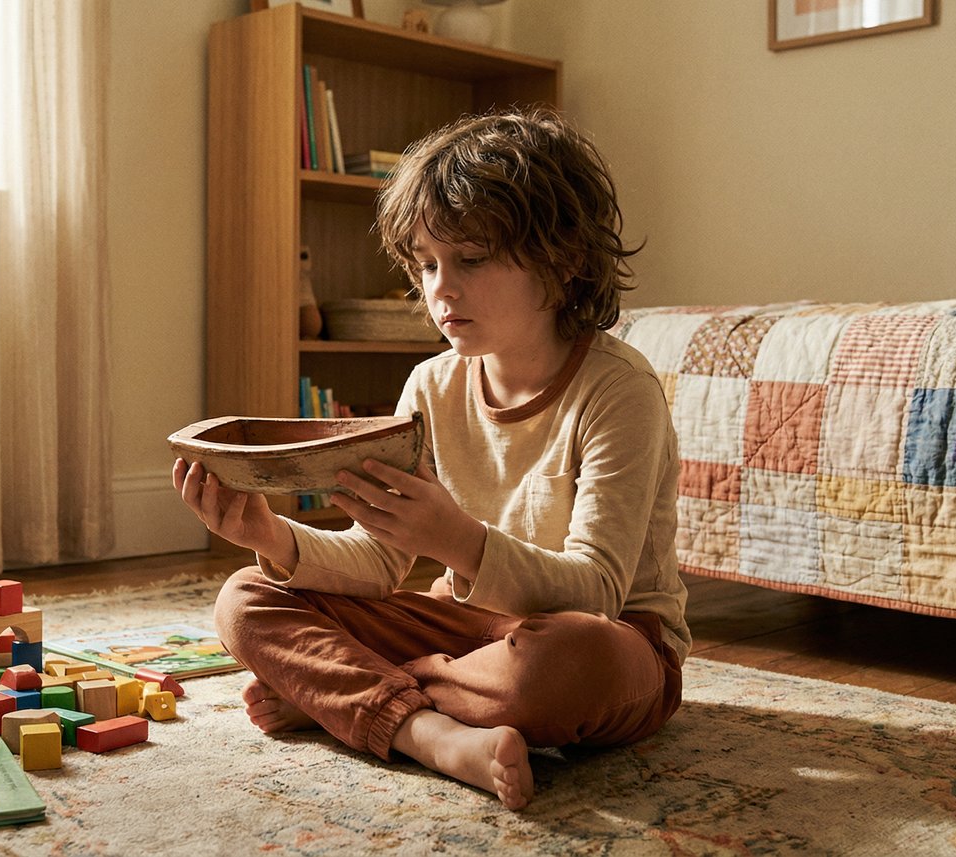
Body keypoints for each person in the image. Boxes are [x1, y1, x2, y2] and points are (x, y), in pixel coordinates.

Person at [173, 107, 688, 811]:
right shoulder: (431, 384)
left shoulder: (620, 390)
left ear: (564, 260)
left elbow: (596, 591)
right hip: (469, 632)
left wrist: (457, 540)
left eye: (471, 260)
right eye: (425, 265)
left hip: (609, 640)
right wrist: (269, 536)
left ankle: (349, 694)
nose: (440, 288)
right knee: (245, 597)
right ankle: (429, 733)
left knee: (571, 660)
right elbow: (380, 564)